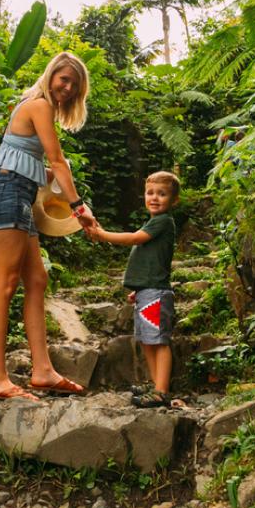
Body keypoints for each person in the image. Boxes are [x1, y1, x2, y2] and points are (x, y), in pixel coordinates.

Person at [0, 51, 96, 401]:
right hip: (8, 195)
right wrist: (78, 206)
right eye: (64, 79)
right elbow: (57, 160)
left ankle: (43, 370)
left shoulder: (34, 107)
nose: (68, 88)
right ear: (51, 76)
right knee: (4, 285)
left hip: (19, 195)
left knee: (36, 279)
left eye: (74, 85)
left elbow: (28, 160)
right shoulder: (39, 104)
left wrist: (48, 176)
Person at [87, 171, 181, 408]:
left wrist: (102, 235)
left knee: (158, 341)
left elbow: (134, 239)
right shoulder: (153, 221)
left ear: (174, 200)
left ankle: (161, 391)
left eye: (162, 194)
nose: (155, 198)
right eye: (150, 193)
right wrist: (139, 289)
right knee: (148, 341)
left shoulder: (162, 221)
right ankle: (154, 384)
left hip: (156, 293)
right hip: (147, 292)